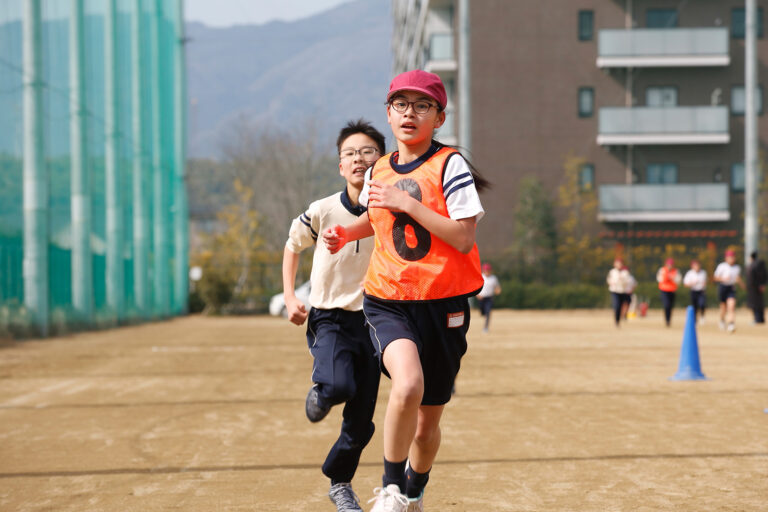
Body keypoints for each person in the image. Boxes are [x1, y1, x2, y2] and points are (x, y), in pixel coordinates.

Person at [323, 69, 489, 512]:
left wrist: (409, 204)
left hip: (444, 306)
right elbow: (382, 222)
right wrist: (347, 232)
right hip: (388, 299)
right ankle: (391, 489)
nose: (409, 114)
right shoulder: (379, 167)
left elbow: (463, 237)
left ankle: (414, 491)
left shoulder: (449, 165)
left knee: (425, 426)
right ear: (389, 113)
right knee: (407, 383)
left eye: (422, 106)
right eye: (400, 105)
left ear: (439, 117)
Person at [282, 119, 386, 511]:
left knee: (362, 422)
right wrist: (291, 297)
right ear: (340, 166)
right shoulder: (323, 209)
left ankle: (340, 483)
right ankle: (323, 389)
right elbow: (293, 246)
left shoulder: (392, 209)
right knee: (340, 387)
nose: (359, 159)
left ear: (384, 159)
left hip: (376, 321)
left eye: (367, 152)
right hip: (330, 317)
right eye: (350, 154)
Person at [713, 249, 744, 333]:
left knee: (731, 306)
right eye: (730, 257)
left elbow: (737, 277)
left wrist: (742, 284)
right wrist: (723, 279)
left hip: (731, 288)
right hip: (723, 287)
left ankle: (731, 324)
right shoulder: (721, 266)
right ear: (726, 258)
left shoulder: (737, 267)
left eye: (733, 257)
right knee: (723, 308)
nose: (731, 259)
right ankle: (722, 320)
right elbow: (715, 278)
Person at [606, 258, 636, 327]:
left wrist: (623, 281)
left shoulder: (625, 272)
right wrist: (612, 283)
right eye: (617, 263)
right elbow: (609, 280)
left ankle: (622, 317)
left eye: (620, 263)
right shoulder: (612, 272)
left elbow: (630, 282)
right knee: (617, 305)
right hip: (615, 291)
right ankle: (617, 321)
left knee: (623, 305)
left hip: (623, 291)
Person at [656, 258, 681, 327]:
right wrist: (666, 277)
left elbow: (678, 280)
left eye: (671, 265)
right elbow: (659, 279)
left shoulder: (676, 271)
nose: (670, 266)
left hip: (672, 290)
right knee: (666, 305)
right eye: (668, 265)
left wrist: (672, 278)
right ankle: (667, 320)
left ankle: (669, 320)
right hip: (664, 290)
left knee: (670, 306)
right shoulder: (662, 270)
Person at [477, 262, 501, 332]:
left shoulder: (494, 278)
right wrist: (478, 295)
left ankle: (485, 328)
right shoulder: (481, 277)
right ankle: (483, 313)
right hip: (481, 298)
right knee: (482, 312)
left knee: (488, 313)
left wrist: (498, 290)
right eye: (486, 270)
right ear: (483, 271)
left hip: (489, 298)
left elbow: (497, 287)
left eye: (488, 270)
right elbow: (475, 288)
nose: (487, 272)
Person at [683, 260, 707, 325]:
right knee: (694, 306)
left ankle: (702, 315)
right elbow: (685, 284)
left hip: (701, 291)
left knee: (702, 304)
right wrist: (692, 283)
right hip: (693, 291)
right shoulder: (689, 273)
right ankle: (695, 319)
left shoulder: (703, 272)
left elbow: (705, 282)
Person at [746, 251, 767, 324]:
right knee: (760, 303)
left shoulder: (753, 265)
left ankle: (757, 319)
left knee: (754, 304)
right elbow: (764, 275)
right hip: (758, 287)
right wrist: (762, 284)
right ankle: (761, 319)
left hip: (753, 287)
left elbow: (752, 277)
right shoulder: (760, 264)